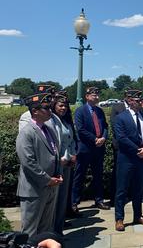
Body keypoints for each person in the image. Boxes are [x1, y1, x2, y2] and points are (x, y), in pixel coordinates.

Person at [16, 92, 62, 236]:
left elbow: (56, 154)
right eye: (46, 108)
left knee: (45, 231)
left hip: (50, 187)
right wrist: (47, 180)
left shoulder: (48, 130)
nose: (50, 111)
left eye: (50, 107)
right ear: (35, 111)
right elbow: (28, 162)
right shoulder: (26, 133)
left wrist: (57, 174)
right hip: (34, 190)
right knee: (29, 233)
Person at [113, 89, 143, 231]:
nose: (139, 103)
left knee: (138, 189)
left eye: (140, 100)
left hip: (141, 159)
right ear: (130, 101)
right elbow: (121, 138)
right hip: (127, 159)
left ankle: (138, 215)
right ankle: (119, 219)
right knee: (122, 190)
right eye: (136, 101)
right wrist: (138, 150)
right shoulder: (121, 117)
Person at [71, 87, 110, 214]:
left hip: (99, 149)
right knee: (79, 176)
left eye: (97, 95)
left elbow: (105, 126)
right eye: (93, 95)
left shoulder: (99, 111)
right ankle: (74, 202)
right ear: (87, 97)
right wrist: (95, 139)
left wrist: (104, 137)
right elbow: (80, 129)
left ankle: (99, 200)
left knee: (98, 175)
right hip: (85, 148)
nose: (96, 97)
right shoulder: (80, 111)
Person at [45, 92, 77, 234]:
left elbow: (72, 140)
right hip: (57, 165)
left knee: (63, 199)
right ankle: (51, 231)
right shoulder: (50, 120)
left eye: (65, 106)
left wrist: (74, 154)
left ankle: (59, 231)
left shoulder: (66, 121)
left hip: (68, 163)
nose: (63, 108)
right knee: (54, 201)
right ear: (54, 106)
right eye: (60, 105)